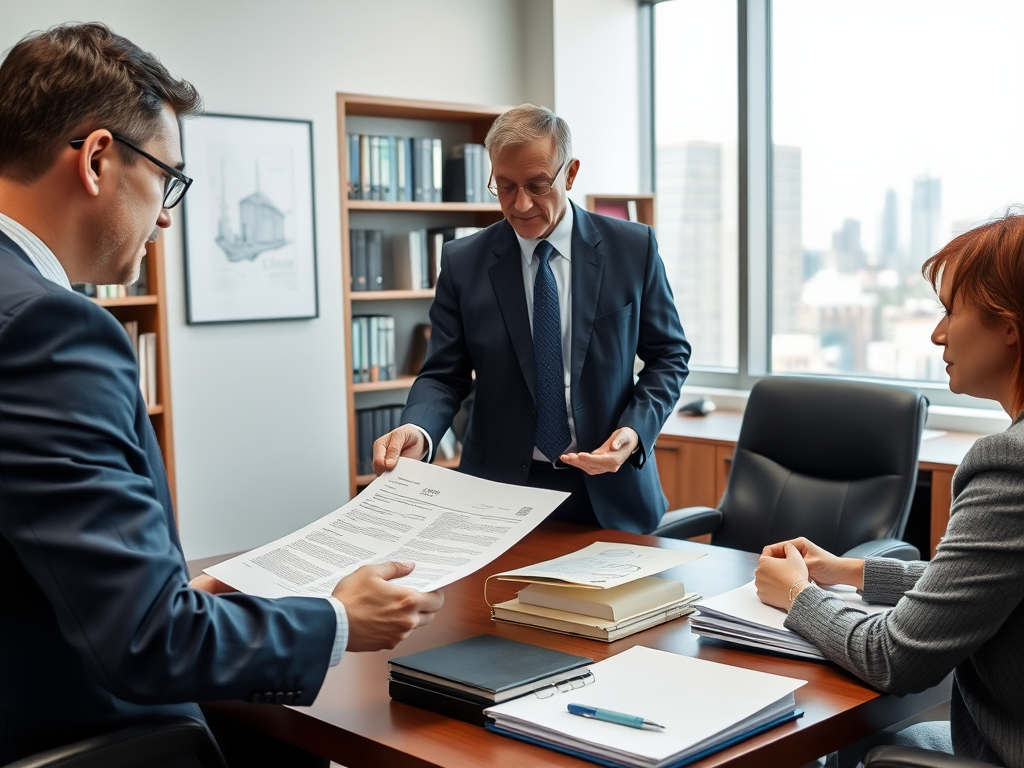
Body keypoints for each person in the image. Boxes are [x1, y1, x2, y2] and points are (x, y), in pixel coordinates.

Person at [0, 23, 443, 767]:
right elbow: (149, 643)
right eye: (168, 178)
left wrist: (173, 587)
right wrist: (340, 618)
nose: (168, 214)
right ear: (99, 157)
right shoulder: (50, 331)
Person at [753, 213, 1024, 768]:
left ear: (1009, 325)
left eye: (951, 311)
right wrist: (849, 572)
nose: (937, 333)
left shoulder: (1009, 463)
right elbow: (990, 582)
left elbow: (893, 657)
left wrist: (800, 597)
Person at [372, 104, 690, 534]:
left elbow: (669, 356)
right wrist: (419, 429)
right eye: (504, 187)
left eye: (537, 185)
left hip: (611, 491)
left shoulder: (632, 249)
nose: (520, 204)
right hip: (496, 497)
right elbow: (444, 375)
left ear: (571, 174)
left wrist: (633, 432)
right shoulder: (463, 262)